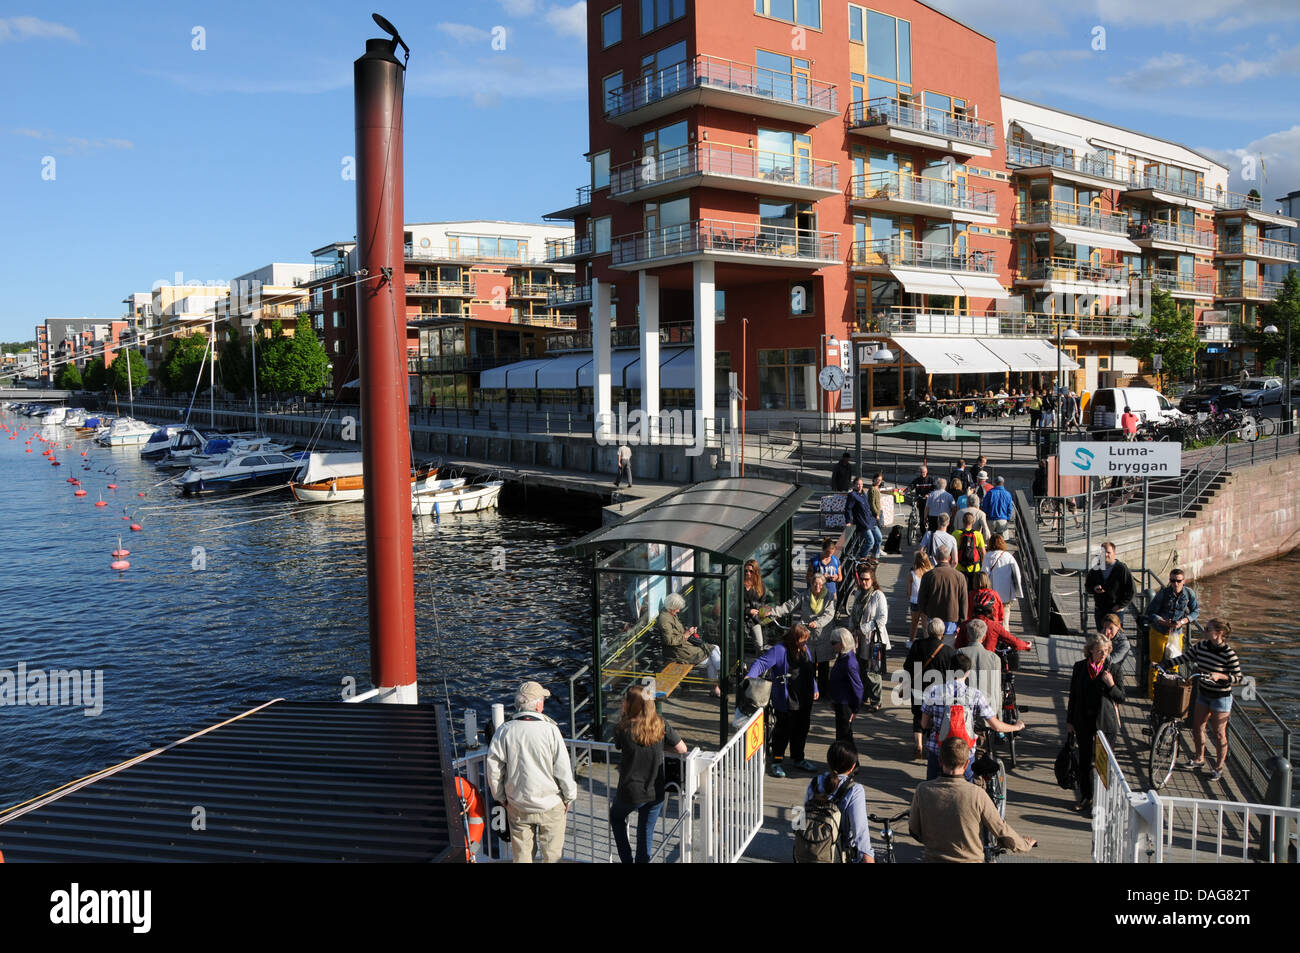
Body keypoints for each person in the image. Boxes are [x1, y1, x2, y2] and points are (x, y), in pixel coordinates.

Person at [486, 680, 577, 863]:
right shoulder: (550, 730)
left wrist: (500, 797)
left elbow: (494, 769)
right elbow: (562, 769)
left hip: (518, 804)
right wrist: (569, 796)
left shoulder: (504, 731)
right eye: (542, 699)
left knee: (522, 857)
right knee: (552, 856)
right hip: (550, 804)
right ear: (538, 704)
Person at [910, 736, 1036, 863]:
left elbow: (914, 831)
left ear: (940, 761)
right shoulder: (977, 794)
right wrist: (1025, 845)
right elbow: (1003, 834)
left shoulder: (922, 790)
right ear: (966, 764)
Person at [610, 678, 688, 863]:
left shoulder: (623, 728)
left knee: (616, 818)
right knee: (646, 832)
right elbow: (682, 749)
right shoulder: (660, 724)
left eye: (625, 700)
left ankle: (626, 860)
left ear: (632, 704)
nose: (622, 703)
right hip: (655, 791)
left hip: (630, 791)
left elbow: (619, 746)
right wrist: (661, 748)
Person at [921, 653, 1023, 780]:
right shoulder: (976, 695)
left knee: (932, 786)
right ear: (968, 672)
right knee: (967, 785)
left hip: (938, 749)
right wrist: (1016, 726)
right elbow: (996, 726)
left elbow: (924, 724)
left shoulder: (934, 691)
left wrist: (936, 722)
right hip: (964, 752)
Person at [748, 624, 819, 778]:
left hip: (804, 698)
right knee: (783, 732)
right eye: (802, 640)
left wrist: (815, 688)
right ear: (794, 639)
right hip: (787, 698)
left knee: (802, 729)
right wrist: (750, 678)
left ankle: (798, 758)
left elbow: (810, 672)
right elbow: (761, 663)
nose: (805, 643)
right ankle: (777, 762)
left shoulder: (805, 650)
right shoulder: (780, 650)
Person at [1066, 634, 1125, 812]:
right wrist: (1070, 721)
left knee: (1103, 763)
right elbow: (1073, 696)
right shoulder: (1079, 668)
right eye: (1100, 651)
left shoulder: (1113, 669)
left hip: (1105, 724)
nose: (1103, 655)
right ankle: (1087, 797)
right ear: (1090, 650)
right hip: (1084, 720)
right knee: (1084, 762)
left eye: (1106, 651)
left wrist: (1111, 684)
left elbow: (1121, 697)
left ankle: (1104, 800)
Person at [1186, 619, 1244, 782]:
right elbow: (1186, 657)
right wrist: (1164, 664)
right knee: (1197, 727)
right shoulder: (1201, 646)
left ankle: (1218, 767)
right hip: (1204, 693)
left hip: (1221, 698)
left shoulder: (1228, 654)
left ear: (1218, 633)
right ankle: (1199, 758)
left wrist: (1220, 676)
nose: (1204, 631)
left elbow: (1239, 678)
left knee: (1219, 733)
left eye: (1208, 629)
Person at [801, 740, 875, 863]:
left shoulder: (815, 782)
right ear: (852, 767)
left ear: (828, 762)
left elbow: (802, 815)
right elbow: (860, 830)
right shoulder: (855, 790)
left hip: (809, 849)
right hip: (839, 853)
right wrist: (868, 856)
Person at [903, 619, 957, 760]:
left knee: (918, 716)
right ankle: (933, 744)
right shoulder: (948, 651)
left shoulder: (917, 645)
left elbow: (907, 666)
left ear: (928, 630)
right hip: (939, 692)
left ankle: (919, 744)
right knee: (937, 717)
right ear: (942, 633)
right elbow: (952, 675)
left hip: (919, 688)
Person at [772, 573, 837, 682]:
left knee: (823, 667)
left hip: (823, 637)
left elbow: (829, 614)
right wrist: (774, 612)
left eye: (820, 584)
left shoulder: (829, 597)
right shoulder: (804, 596)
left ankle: (823, 692)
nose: (817, 587)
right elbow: (790, 605)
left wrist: (817, 623)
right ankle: (810, 690)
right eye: (815, 584)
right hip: (808, 638)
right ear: (811, 585)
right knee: (808, 665)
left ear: (824, 585)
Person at [1145, 569, 1198, 695]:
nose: (1175, 584)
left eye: (1178, 581)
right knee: (1156, 663)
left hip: (1176, 633)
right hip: (1159, 631)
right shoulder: (1163, 593)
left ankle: (1170, 693)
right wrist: (1163, 622)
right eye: (1172, 580)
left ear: (1183, 581)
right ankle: (1153, 695)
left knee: (1174, 663)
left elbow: (1195, 611)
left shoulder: (1189, 594)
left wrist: (1183, 621)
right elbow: (1150, 612)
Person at [657, 592, 722, 693]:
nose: (679, 610)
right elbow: (669, 640)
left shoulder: (670, 614)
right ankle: (721, 678)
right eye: (677, 608)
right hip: (677, 652)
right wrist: (686, 635)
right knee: (713, 651)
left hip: (683, 647)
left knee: (713, 651)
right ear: (672, 606)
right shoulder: (664, 619)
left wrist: (688, 631)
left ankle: (716, 687)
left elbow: (677, 632)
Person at [847, 561, 889, 684]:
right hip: (858, 638)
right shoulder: (859, 594)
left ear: (872, 580)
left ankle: (875, 700)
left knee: (873, 671)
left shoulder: (878, 595)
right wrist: (851, 629)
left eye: (867, 579)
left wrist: (863, 629)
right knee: (860, 667)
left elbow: (882, 618)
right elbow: (853, 613)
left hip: (873, 639)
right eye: (862, 579)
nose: (864, 582)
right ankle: (862, 695)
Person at [916, 545, 968, 638]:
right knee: (948, 648)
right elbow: (963, 601)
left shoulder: (928, 575)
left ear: (935, 558)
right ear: (949, 558)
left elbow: (921, 599)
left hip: (933, 618)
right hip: (952, 619)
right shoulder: (959, 576)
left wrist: (926, 613)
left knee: (933, 647)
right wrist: (962, 622)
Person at [1085, 541, 1135, 634]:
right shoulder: (1096, 569)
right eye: (1103, 552)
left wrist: (1120, 605)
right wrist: (1094, 589)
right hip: (1100, 609)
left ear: (1114, 553)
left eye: (1108, 552)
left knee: (1116, 636)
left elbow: (1131, 591)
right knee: (1102, 637)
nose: (1106, 555)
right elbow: (1087, 586)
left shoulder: (1122, 569)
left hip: (1115, 610)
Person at [828, 628, 864, 742]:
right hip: (840, 701)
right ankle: (847, 759)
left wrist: (856, 710)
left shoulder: (849, 662)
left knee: (844, 737)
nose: (832, 645)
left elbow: (858, 688)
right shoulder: (843, 657)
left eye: (834, 643)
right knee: (843, 735)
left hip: (845, 705)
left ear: (842, 643)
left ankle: (850, 759)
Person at [957, 618, 1003, 707]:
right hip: (987, 710)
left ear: (968, 636)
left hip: (964, 709)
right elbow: (996, 690)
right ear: (984, 637)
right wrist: (999, 715)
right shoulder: (994, 658)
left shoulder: (959, 653)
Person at [846, 476, 883, 559]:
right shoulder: (852, 495)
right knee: (870, 541)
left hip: (870, 519)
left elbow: (867, 506)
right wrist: (848, 521)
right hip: (862, 521)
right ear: (854, 485)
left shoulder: (863, 494)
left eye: (861, 484)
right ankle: (861, 557)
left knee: (879, 538)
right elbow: (848, 509)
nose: (860, 486)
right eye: (858, 484)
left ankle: (875, 556)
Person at [982, 534, 1022, 608]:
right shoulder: (1008, 556)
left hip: (991, 594)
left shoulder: (987, 556)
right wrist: (1016, 591)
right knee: (1005, 614)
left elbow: (984, 574)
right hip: (1006, 593)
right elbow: (1017, 574)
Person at [953, 511, 986, 590]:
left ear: (963, 521)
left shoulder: (955, 533)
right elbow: (983, 552)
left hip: (959, 567)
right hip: (975, 567)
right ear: (973, 522)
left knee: (961, 590)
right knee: (974, 590)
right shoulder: (978, 534)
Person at [743, 558, 770, 652]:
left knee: (759, 645)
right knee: (739, 646)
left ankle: (760, 666)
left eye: (751, 571)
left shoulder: (760, 585)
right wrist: (748, 611)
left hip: (754, 619)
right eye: (746, 570)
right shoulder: (739, 584)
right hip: (741, 618)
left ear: (756, 572)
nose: (748, 573)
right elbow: (734, 603)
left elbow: (762, 602)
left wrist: (756, 610)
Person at [1099, 612, 1132, 688]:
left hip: (1113, 675)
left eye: (1111, 628)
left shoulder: (1124, 644)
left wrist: (1105, 644)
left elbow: (1110, 662)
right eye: (1105, 627)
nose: (1107, 631)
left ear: (1118, 627)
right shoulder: (1101, 636)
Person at [908, 550, 934, 644]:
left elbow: (909, 591)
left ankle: (911, 641)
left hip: (915, 601)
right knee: (925, 624)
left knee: (914, 623)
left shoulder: (912, 574)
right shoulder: (931, 572)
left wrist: (910, 598)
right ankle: (927, 641)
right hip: (926, 601)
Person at [809, 536, 842, 601]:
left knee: (831, 610)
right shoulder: (814, 561)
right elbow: (808, 578)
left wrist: (836, 578)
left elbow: (840, 578)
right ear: (823, 550)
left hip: (832, 592)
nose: (829, 555)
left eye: (831, 554)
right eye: (827, 553)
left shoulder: (836, 561)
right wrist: (821, 577)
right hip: (818, 592)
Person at [982, 475, 1014, 539]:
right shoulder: (1007, 494)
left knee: (989, 539)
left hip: (990, 519)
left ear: (995, 483)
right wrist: (1008, 518)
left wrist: (985, 517)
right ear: (1003, 483)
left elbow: (985, 507)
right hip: (1002, 519)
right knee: (1002, 541)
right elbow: (1010, 508)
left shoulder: (990, 493)